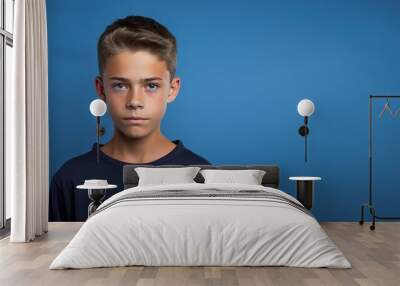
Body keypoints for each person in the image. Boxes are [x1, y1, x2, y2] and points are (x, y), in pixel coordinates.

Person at [49, 15, 211, 222]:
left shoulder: (203, 176)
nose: (135, 101)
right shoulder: (70, 178)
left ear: (172, 89)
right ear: (101, 89)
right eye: (120, 85)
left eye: (151, 85)